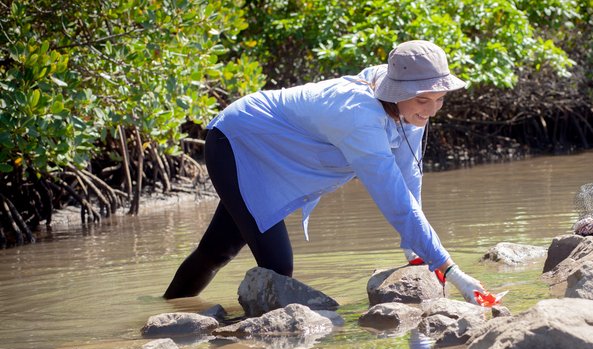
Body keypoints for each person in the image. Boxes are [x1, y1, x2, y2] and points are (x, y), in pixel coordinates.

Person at [164, 40, 489, 304]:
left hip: (277, 149)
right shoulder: (359, 116)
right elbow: (395, 200)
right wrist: (451, 270)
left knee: (218, 249)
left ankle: (169, 311)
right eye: (423, 100)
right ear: (397, 91)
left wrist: (414, 248)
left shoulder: (409, 106)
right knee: (278, 265)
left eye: (440, 99)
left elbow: (409, 176)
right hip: (238, 141)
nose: (431, 110)